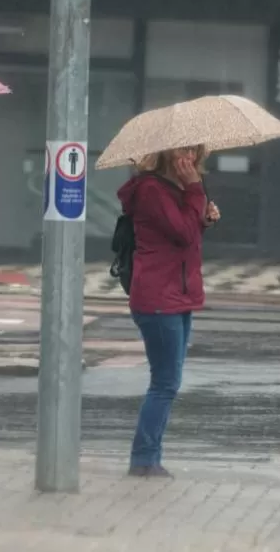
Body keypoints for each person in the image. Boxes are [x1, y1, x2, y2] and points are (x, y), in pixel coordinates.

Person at [116, 145, 221, 478]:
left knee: (167, 382)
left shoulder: (174, 190)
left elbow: (184, 237)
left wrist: (203, 218)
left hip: (178, 295)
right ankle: (144, 460)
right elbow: (182, 233)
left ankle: (149, 457)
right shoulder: (151, 189)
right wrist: (195, 190)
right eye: (182, 150)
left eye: (194, 150)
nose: (189, 157)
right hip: (158, 297)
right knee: (165, 383)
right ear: (167, 153)